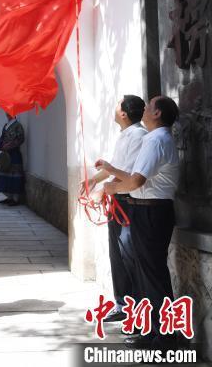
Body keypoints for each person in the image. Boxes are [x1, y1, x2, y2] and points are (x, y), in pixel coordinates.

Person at [101, 96, 179, 349]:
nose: (144, 109)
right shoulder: (156, 138)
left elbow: (136, 182)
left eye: (149, 106)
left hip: (152, 212)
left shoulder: (155, 139)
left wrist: (115, 187)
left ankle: (164, 339)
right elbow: (136, 178)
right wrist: (113, 181)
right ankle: (153, 333)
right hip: (149, 210)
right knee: (147, 274)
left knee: (153, 276)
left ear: (157, 113)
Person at [82, 95, 146, 322]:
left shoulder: (138, 136)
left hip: (127, 202)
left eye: (118, 105)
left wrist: (104, 190)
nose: (114, 108)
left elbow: (127, 173)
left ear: (124, 113)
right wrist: (92, 181)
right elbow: (114, 167)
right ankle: (122, 304)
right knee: (117, 255)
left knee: (128, 256)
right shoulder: (125, 136)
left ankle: (135, 307)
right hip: (117, 201)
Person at [0, 113, 25, 206]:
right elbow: (1, 140)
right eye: (7, 113)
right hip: (6, 156)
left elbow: (21, 139)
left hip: (15, 155)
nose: (7, 114)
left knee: (15, 177)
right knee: (6, 176)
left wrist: (9, 146)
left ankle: (16, 199)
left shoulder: (18, 126)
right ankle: (9, 197)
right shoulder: (6, 126)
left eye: (9, 113)